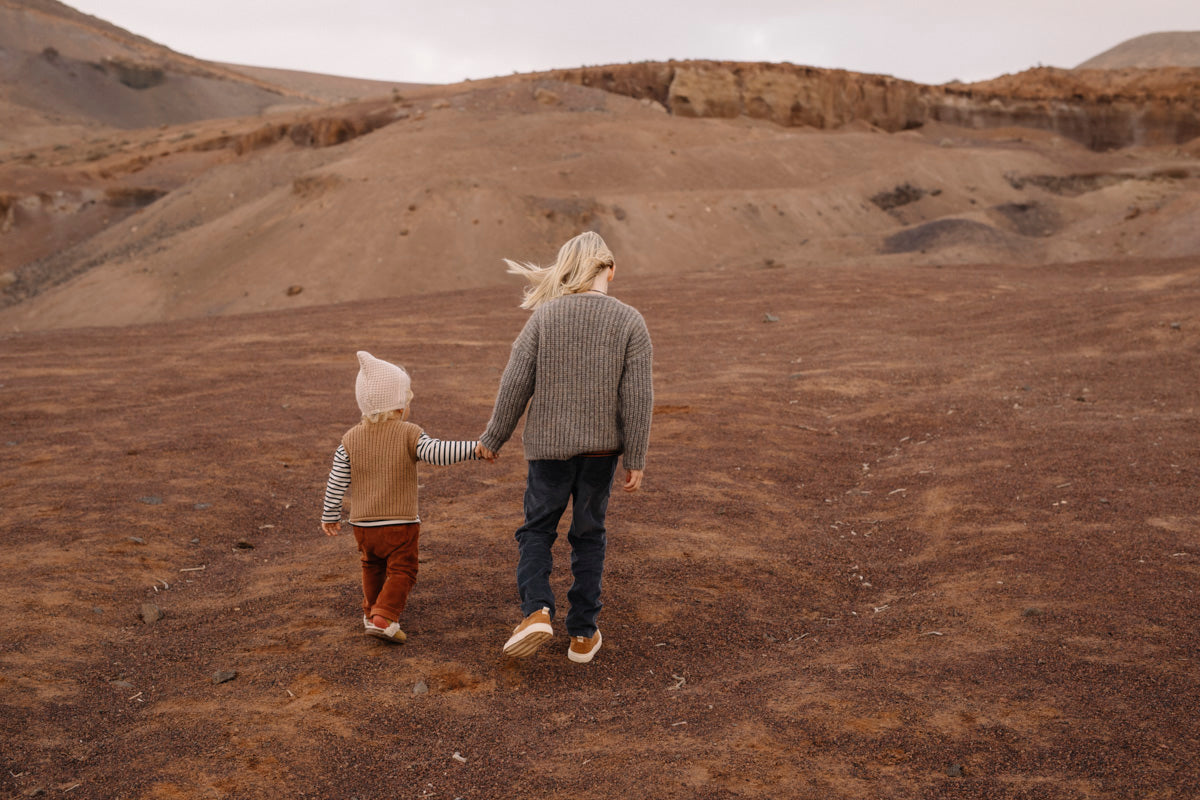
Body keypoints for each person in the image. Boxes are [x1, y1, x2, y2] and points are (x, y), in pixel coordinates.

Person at [478, 231, 653, 664]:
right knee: (588, 535)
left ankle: (536, 611)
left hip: (547, 452)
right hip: (601, 454)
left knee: (537, 530)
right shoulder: (631, 321)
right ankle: (582, 634)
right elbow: (638, 396)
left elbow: (515, 383)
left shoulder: (545, 318)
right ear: (611, 269)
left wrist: (493, 437)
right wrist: (636, 457)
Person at [322, 351, 485, 644]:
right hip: (400, 523)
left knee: (372, 565)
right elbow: (437, 453)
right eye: (407, 402)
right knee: (403, 570)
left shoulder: (350, 439)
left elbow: (337, 480)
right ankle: (385, 616)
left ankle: (371, 611)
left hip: (362, 526)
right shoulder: (409, 433)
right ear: (398, 406)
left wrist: (330, 514)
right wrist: (475, 448)